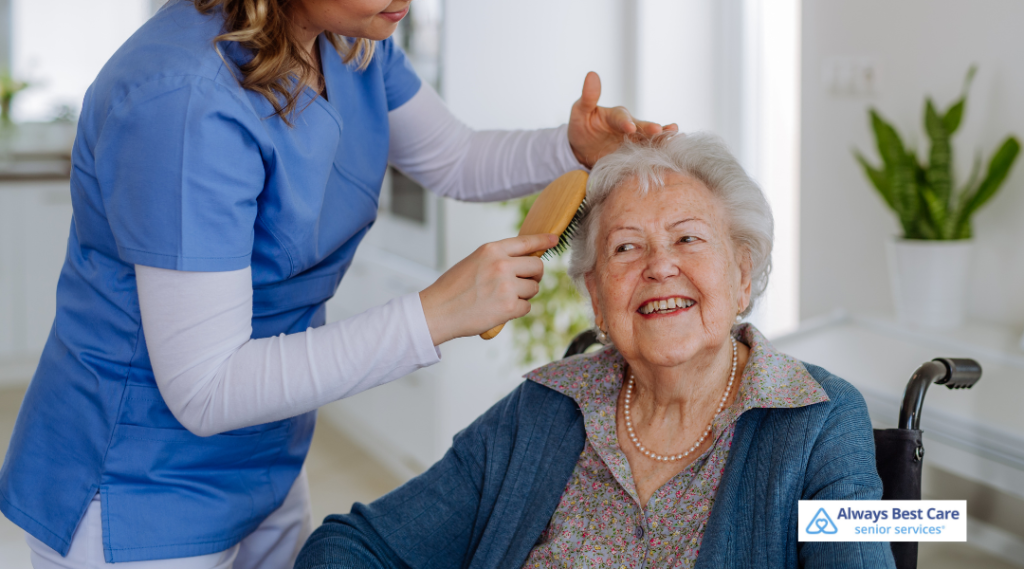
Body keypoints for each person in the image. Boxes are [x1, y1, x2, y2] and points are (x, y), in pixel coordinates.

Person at [0, 0, 675, 567]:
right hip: (134, 489)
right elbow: (205, 388)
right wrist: (435, 313)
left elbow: (456, 158)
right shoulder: (182, 101)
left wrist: (570, 147)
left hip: (262, 453)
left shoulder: (347, 38)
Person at [295, 133, 896, 569]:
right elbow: (355, 546)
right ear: (597, 300)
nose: (660, 266)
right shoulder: (542, 410)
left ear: (743, 274)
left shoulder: (818, 419)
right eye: (627, 248)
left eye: (688, 238)